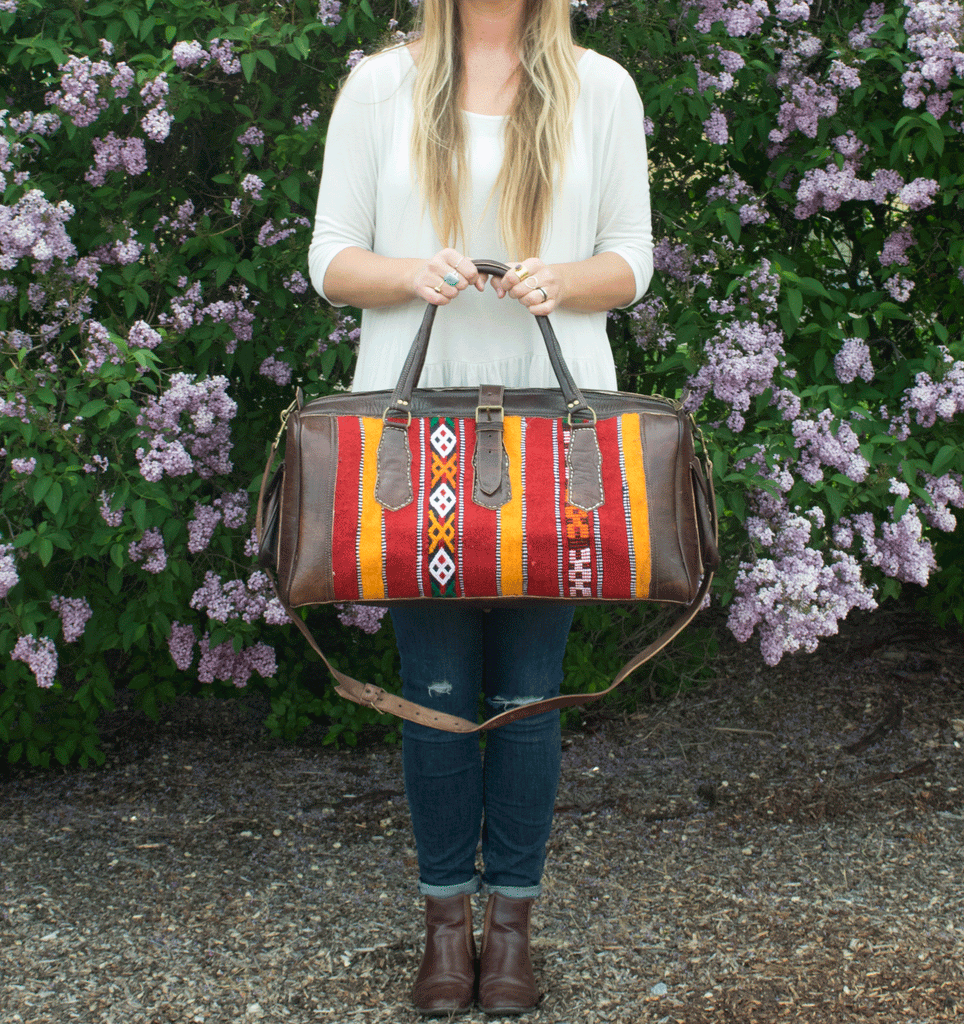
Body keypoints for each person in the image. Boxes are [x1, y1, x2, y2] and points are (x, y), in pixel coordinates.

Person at [308, 0, 652, 1014]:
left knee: (531, 692)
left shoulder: (600, 87)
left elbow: (630, 262)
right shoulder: (380, 85)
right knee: (438, 690)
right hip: (412, 445)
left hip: (559, 439)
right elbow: (330, 258)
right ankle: (443, 931)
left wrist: (565, 279)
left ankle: (512, 933)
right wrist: (414, 273)